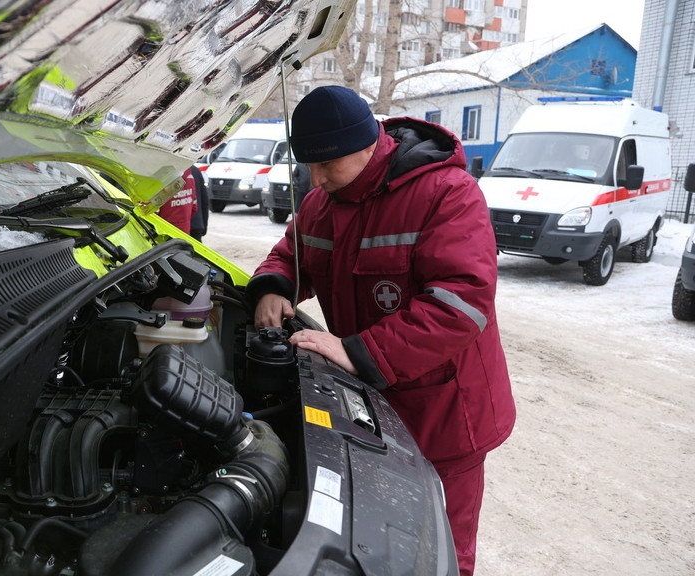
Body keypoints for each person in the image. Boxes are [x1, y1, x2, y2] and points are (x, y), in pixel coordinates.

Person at [246, 85, 516, 576]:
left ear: (369, 145)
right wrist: (273, 286)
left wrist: (359, 351)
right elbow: (293, 255)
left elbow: (462, 301)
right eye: (309, 166)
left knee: (439, 546)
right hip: (372, 400)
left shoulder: (446, 194)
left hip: (445, 411)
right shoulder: (319, 203)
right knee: (377, 535)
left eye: (328, 165)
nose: (318, 178)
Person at [157, 166, 198, 234]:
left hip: (165, 231)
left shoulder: (164, 178)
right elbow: (194, 207)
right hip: (184, 231)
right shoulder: (190, 176)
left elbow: (154, 210)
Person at [188, 165, 210, 242]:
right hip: (196, 225)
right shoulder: (195, 170)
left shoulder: (169, 172)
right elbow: (204, 201)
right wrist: (203, 225)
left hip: (174, 229)